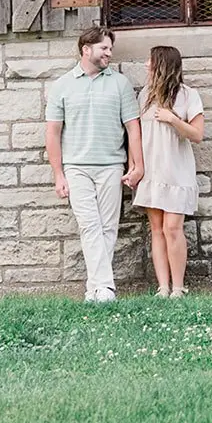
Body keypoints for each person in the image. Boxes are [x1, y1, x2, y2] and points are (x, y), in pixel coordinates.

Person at [44, 27, 144, 303]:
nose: (109, 53)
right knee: (89, 225)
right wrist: (58, 174)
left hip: (112, 165)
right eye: (104, 48)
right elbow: (52, 133)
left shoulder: (120, 83)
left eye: (110, 49)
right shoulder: (62, 85)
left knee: (108, 227)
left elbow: (133, 129)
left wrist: (137, 165)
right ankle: (105, 287)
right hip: (76, 167)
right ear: (86, 50)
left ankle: (96, 289)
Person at [131, 45, 204, 298]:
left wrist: (173, 119)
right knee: (157, 229)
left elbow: (197, 135)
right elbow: (136, 135)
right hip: (152, 171)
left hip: (176, 170)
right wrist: (135, 167)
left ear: (161, 64)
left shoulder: (187, 95)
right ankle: (162, 287)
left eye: (149, 61)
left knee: (173, 228)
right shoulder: (145, 96)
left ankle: (178, 287)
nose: (145, 66)